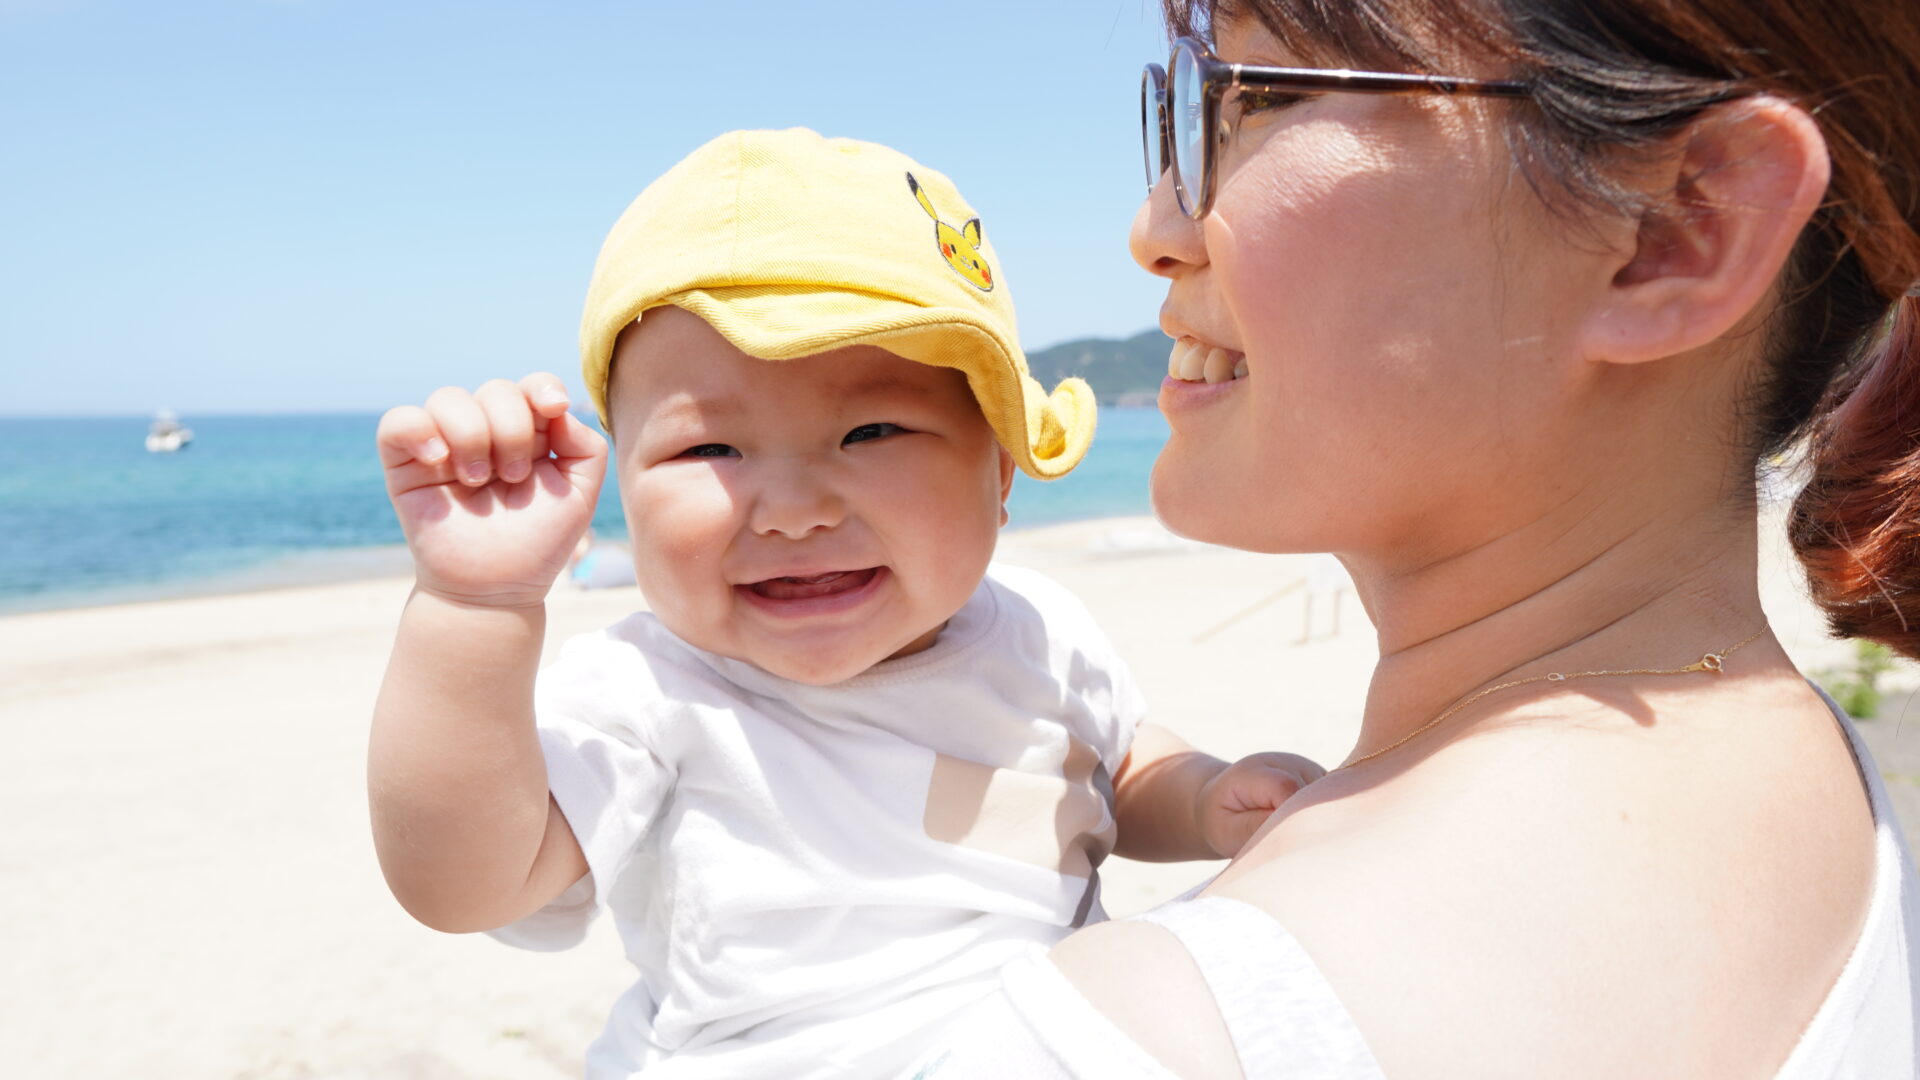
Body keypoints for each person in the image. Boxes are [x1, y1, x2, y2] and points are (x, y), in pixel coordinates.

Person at [908, 1, 1920, 1076]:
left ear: (1678, 231)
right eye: (1181, 109)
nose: (1155, 226)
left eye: (1262, 97)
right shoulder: (1825, 792)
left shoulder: (1162, 1031)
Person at [367, 129, 1322, 1080]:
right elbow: (465, 885)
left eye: (870, 432)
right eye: (709, 449)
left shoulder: (1040, 632)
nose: (793, 510)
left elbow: (1117, 765)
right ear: (623, 483)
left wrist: (1203, 797)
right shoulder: (647, 692)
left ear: (998, 470)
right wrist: (475, 608)